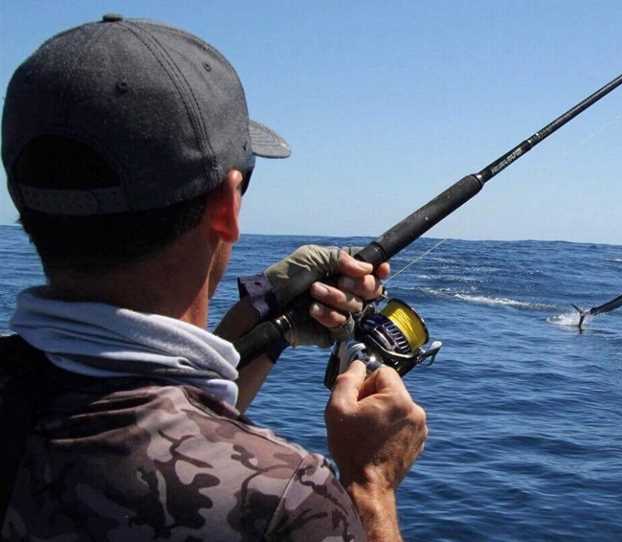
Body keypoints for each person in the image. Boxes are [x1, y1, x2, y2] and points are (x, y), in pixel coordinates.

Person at [0, 14, 427, 542]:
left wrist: (265, 312)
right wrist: (370, 485)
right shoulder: (284, 501)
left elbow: (163, 416)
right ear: (227, 205)